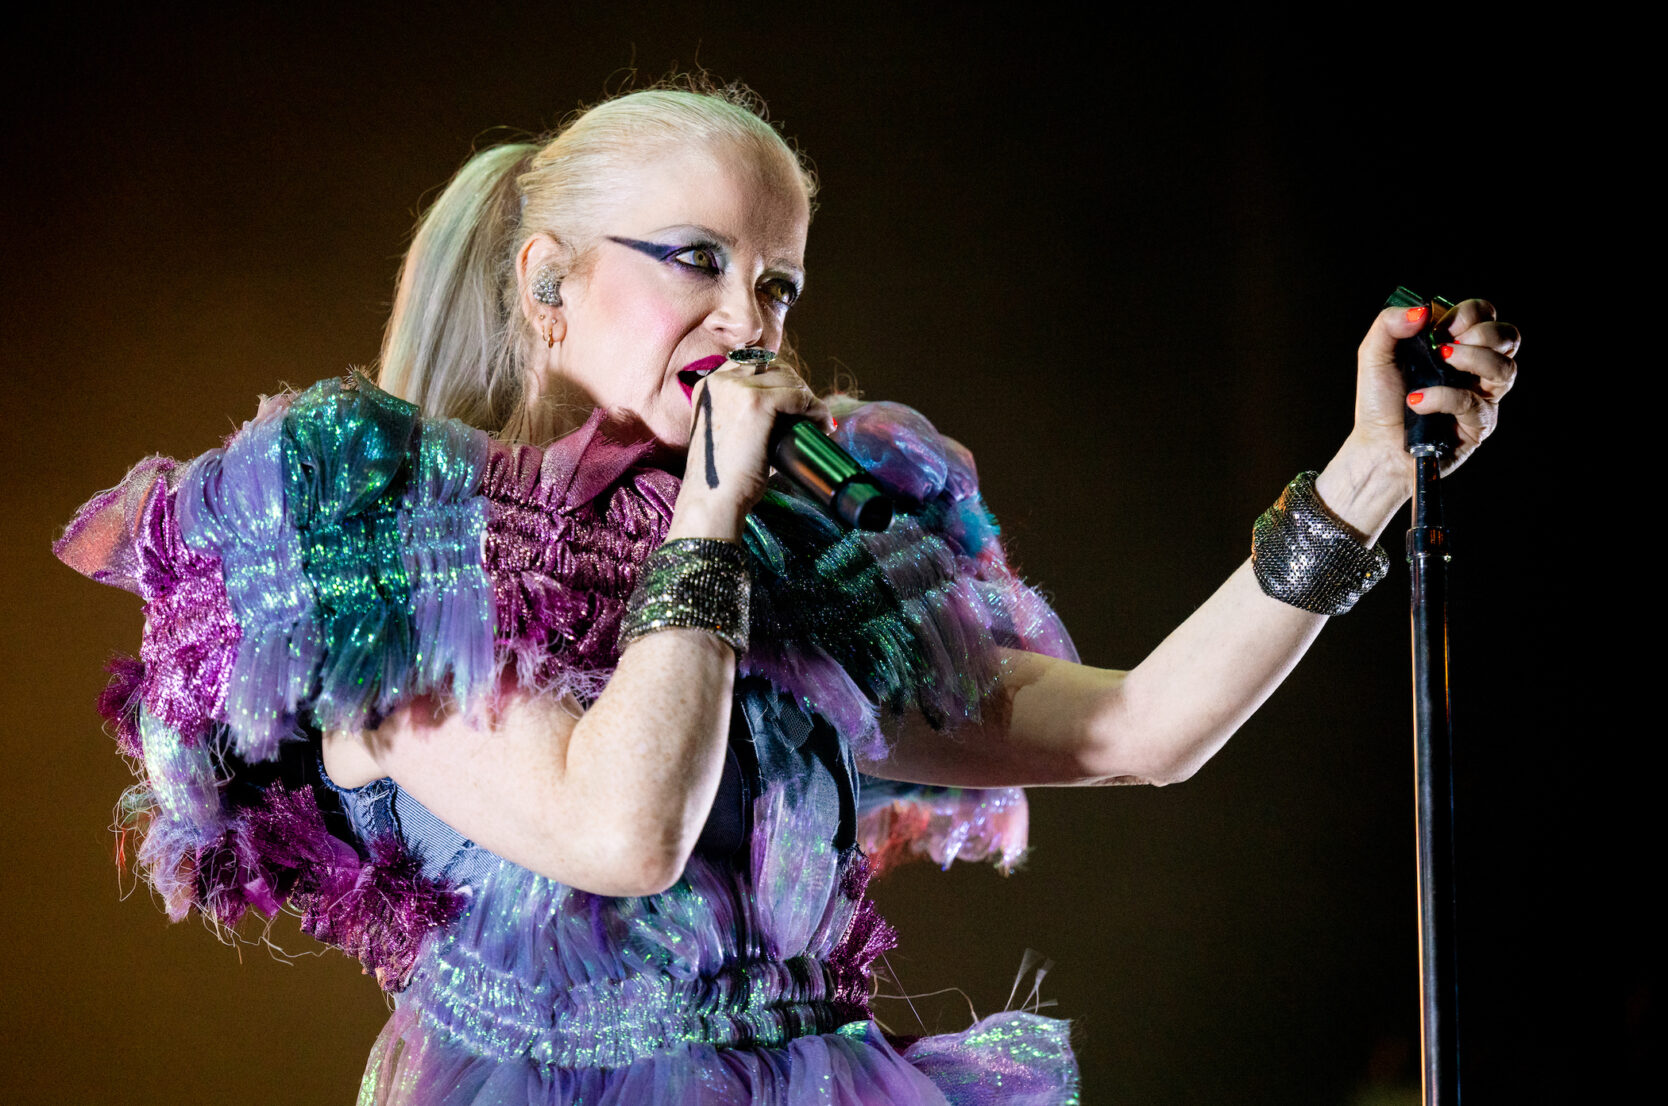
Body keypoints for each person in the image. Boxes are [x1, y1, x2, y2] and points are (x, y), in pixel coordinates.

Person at [53, 81, 1518, 1105]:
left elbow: (1136, 728)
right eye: (697, 262)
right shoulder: (396, 549)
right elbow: (621, 828)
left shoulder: (794, 549)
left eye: (780, 283)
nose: (748, 319)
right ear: (546, 282)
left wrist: (1365, 477)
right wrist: (708, 513)